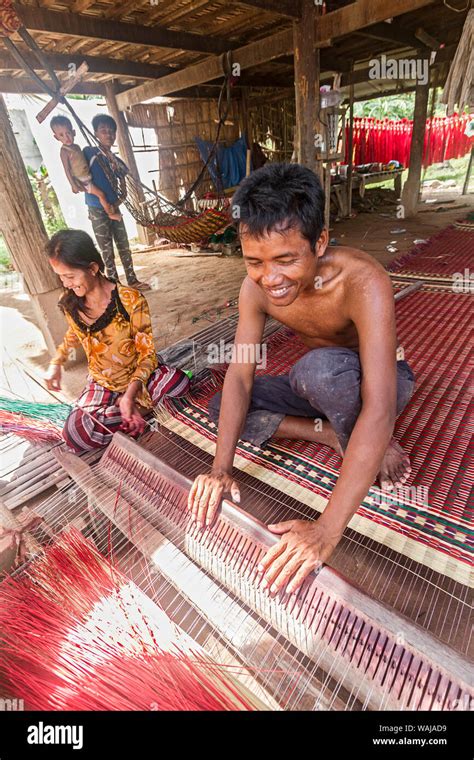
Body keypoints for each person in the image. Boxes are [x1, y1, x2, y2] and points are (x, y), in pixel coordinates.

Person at [188, 162, 415, 596]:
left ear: (321, 243)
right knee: (222, 405)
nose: (269, 279)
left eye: (286, 260)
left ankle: (370, 439)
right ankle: (332, 433)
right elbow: (240, 377)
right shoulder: (254, 289)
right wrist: (220, 470)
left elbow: (382, 401)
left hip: (378, 380)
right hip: (319, 389)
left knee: (320, 371)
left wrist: (326, 531)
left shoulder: (363, 279)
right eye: (254, 261)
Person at [44, 229, 189, 452]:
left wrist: (129, 395)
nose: (66, 283)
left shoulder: (130, 300)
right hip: (103, 382)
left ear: (92, 268)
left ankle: (131, 409)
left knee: (178, 384)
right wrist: (57, 362)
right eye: (60, 277)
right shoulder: (69, 302)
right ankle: (134, 411)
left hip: (139, 378)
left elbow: (147, 355)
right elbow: (75, 333)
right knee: (74, 433)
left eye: (70, 276)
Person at [83, 113, 149, 291]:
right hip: (97, 209)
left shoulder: (114, 160)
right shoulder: (89, 153)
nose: (109, 135)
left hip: (114, 208)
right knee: (107, 250)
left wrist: (117, 202)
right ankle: (114, 285)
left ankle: (132, 280)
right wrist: (102, 199)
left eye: (111, 131)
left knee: (124, 245)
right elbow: (81, 179)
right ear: (96, 133)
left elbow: (123, 181)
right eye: (104, 131)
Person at [50, 115, 121, 221]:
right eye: (61, 135)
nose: (67, 137)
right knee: (101, 194)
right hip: (83, 181)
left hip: (88, 177)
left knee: (102, 193)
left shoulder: (77, 147)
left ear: (74, 132)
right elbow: (67, 170)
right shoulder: (64, 151)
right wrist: (73, 184)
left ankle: (110, 212)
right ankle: (110, 214)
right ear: (56, 137)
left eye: (68, 133)